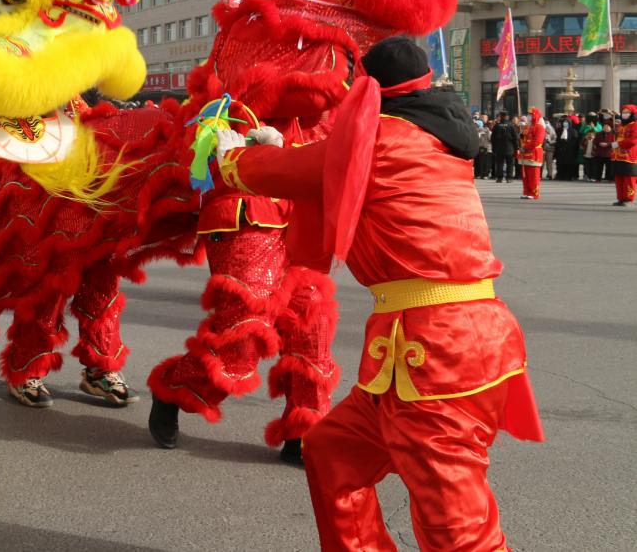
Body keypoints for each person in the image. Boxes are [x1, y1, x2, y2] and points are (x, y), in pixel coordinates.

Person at [212, 36, 543, 551]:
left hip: (438, 349)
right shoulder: (431, 134)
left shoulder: (384, 135)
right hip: (426, 346)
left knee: (455, 522)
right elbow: (332, 164)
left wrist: (232, 159)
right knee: (333, 452)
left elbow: (311, 170)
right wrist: (283, 147)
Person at [518, 107, 546, 200]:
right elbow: (524, 139)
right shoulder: (527, 127)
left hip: (534, 153)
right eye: (528, 114)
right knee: (525, 175)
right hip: (525, 153)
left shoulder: (540, 127)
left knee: (533, 175)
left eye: (531, 114)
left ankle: (534, 193)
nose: (529, 116)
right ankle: (526, 192)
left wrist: (525, 147)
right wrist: (521, 136)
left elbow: (538, 141)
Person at [613, 105, 637, 206]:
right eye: (623, 112)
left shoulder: (635, 125)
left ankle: (628, 198)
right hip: (618, 155)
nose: (624, 114)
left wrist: (619, 144)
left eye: (627, 112)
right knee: (619, 177)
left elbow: (633, 140)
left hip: (629, 156)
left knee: (629, 177)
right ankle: (620, 198)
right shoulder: (621, 125)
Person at [489, 111, 518, 182]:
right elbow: (515, 138)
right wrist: (516, 147)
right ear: (507, 117)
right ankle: (509, 178)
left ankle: (499, 178)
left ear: (500, 117)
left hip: (499, 148)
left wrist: (494, 147)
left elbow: (492, 138)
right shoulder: (511, 126)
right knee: (510, 164)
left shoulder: (496, 126)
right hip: (509, 147)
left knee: (499, 163)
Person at [554, 115, 579, 180]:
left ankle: (569, 176)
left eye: (566, 122)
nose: (565, 123)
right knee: (560, 164)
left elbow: (575, 141)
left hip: (570, 151)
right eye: (564, 122)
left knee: (569, 164)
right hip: (561, 150)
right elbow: (557, 140)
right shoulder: (559, 130)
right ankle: (560, 175)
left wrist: (568, 143)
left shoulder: (573, 131)